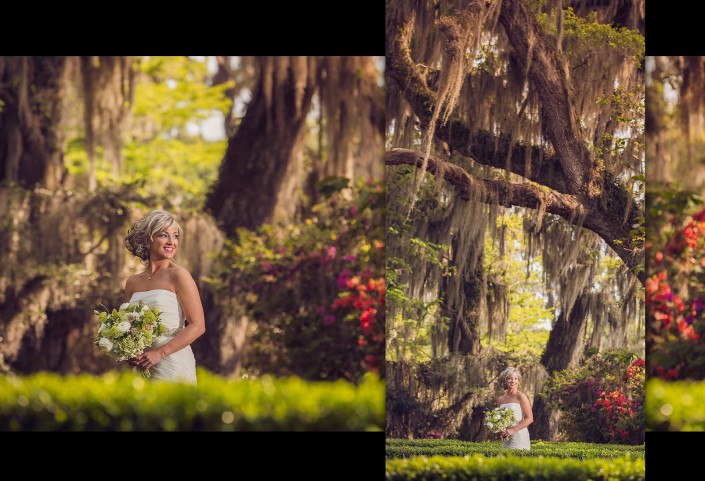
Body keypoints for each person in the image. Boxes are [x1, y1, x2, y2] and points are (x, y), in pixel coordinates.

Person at [122, 210, 205, 384]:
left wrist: (159, 353)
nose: (171, 242)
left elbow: (198, 326)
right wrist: (129, 353)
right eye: (164, 235)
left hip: (173, 363)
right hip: (143, 366)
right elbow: (126, 327)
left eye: (175, 236)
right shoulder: (132, 282)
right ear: (149, 239)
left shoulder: (179, 275)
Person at [496, 366, 532, 450]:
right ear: (505, 380)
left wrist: (512, 430)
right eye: (510, 378)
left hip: (519, 436)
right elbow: (499, 420)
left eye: (516, 378)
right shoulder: (500, 399)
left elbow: (529, 418)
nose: (513, 381)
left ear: (519, 381)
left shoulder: (521, 396)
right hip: (505, 437)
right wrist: (501, 429)